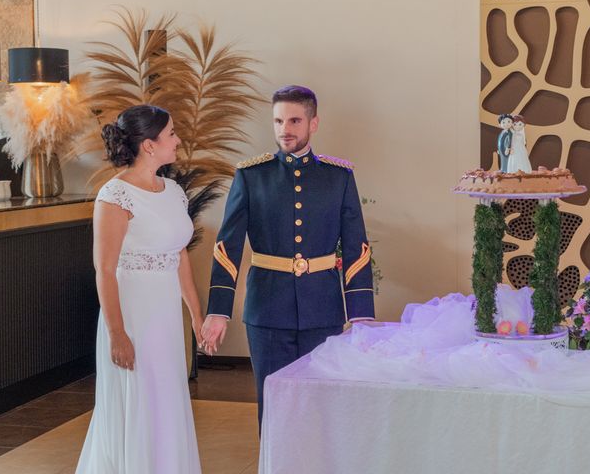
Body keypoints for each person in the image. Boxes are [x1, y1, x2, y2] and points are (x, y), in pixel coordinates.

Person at [201, 85, 375, 429]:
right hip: (266, 310)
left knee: (320, 406)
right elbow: (228, 246)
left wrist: (361, 316)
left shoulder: (338, 177)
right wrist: (218, 311)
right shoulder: (252, 176)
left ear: (314, 123)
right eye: (278, 121)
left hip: (322, 310)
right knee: (274, 406)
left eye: (294, 120)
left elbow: (357, 247)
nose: (285, 129)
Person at [76, 105, 203, 473]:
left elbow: (178, 256)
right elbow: (104, 269)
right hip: (132, 318)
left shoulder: (174, 191)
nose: (178, 140)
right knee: (139, 403)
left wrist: (195, 316)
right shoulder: (115, 196)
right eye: (172, 134)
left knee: (167, 401)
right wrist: (117, 334)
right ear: (149, 145)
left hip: (164, 319)